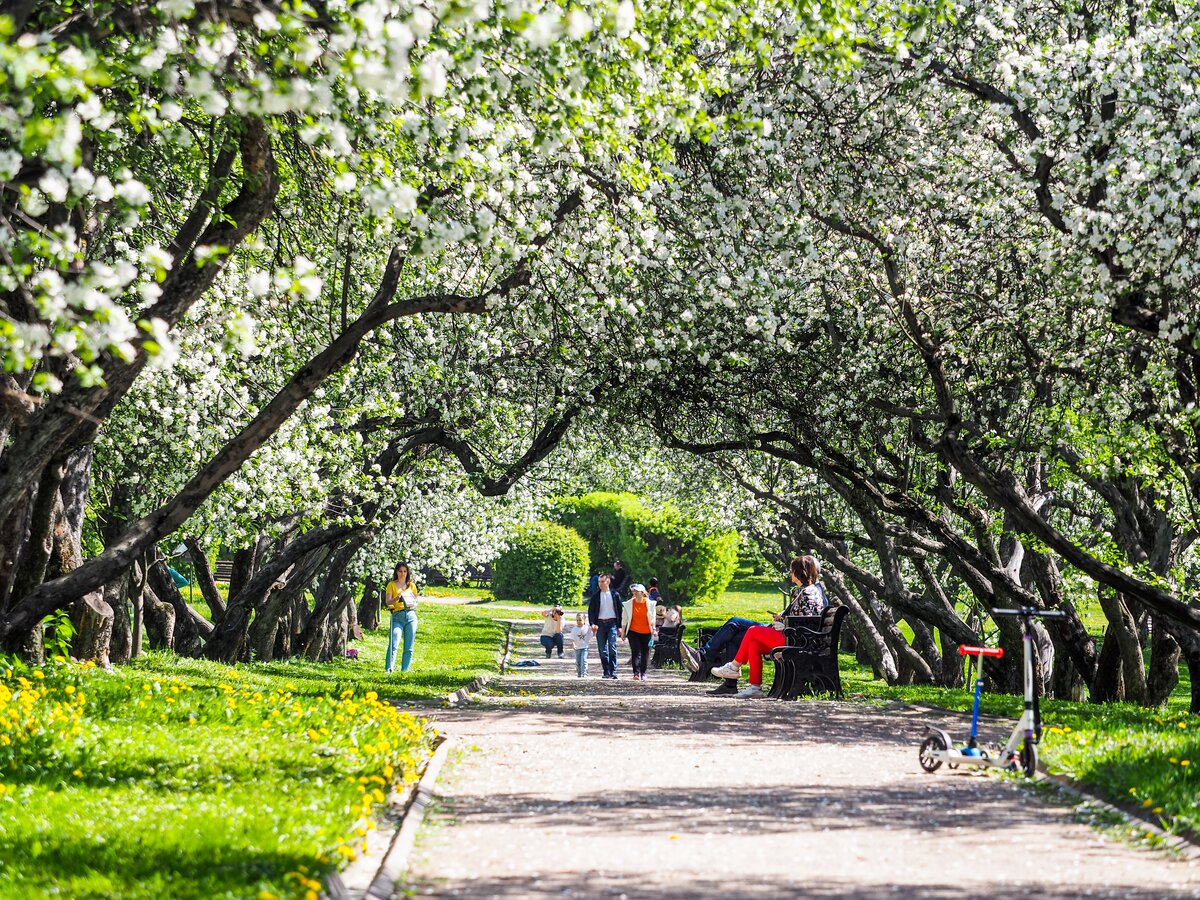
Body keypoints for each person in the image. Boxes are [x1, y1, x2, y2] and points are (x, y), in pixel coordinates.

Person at [709, 555, 830, 699]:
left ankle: (734, 667)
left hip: (797, 640)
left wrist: (783, 625)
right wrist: (783, 619)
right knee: (754, 644)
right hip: (800, 637)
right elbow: (803, 618)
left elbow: (804, 622)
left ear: (799, 572)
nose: (790, 573)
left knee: (752, 631)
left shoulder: (806, 592)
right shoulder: (809, 590)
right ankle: (755, 687)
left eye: (792, 571)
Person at [384, 562, 420, 673]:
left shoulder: (411, 585)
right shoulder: (392, 585)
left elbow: (416, 601)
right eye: (400, 571)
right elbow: (388, 602)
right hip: (397, 616)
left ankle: (405, 670)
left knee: (409, 646)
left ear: (407, 573)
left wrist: (413, 603)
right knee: (394, 643)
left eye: (404, 571)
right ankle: (389, 669)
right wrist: (397, 598)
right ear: (396, 572)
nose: (402, 574)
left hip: (410, 615)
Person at [587, 573, 623, 679]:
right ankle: (606, 671)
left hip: (612, 624)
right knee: (602, 650)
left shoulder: (615, 595)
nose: (600, 584)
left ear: (608, 582)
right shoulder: (596, 596)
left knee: (612, 647)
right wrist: (592, 624)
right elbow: (591, 612)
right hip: (600, 625)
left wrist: (620, 626)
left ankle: (613, 671)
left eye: (602, 581)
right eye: (599, 582)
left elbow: (620, 612)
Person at [621, 583, 657, 681]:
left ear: (642, 593)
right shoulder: (628, 604)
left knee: (646, 653)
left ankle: (643, 673)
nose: (635, 593)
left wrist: (654, 629)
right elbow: (624, 619)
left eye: (637, 591)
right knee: (636, 652)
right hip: (633, 631)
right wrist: (623, 631)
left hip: (646, 631)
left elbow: (653, 618)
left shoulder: (650, 604)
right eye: (634, 591)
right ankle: (636, 673)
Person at [567, 612, 592, 677]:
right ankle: (579, 673)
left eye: (580, 620)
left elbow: (591, 635)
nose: (578, 622)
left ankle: (584, 673)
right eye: (577, 620)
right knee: (578, 661)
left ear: (584, 620)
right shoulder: (574, 629)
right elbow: (572, 638)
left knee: (584, 660)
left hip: (584, 647)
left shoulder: (587, 628)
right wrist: (573, 644)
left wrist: (594, 631)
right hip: (577, 648)